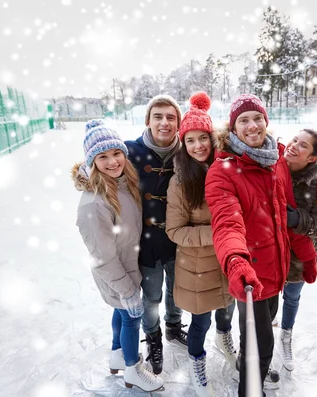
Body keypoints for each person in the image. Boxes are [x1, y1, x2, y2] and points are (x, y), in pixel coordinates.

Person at [205, 94, 317, 397]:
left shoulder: (275, 162)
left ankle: (248, 365)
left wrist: (307, 257)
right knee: (261, 345)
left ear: (266, 122)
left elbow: (283, 218)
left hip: (276, 271)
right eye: (243, 120)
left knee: (260, 333)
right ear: (233, 128)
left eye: (257, 118)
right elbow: (227, 223)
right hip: (250, 277)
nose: (252, 126)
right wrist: (236, 262)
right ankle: (250, 389)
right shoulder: (223, 170)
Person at [72, 120, 163, 391]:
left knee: (122, 314)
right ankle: (133, 368)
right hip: (116, 273)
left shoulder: (121, 183)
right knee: (130, 316)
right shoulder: (93, 204)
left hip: (126, 265)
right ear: (92, 161)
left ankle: (117, 353)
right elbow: (102, 257)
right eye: (103, 157)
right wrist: (126, 289)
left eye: (116, 153)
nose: (113, 161)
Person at [166, 91, 237, 396]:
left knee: (227, 310)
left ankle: (225, 340)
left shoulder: (229, 169)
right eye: (190, 140)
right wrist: (217, 232)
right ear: (183, 143)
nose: (197, 146)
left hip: (229, 261)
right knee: (200, 322)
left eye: (202, 138)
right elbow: (175, 231)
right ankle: (197, 362)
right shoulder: (180, 181)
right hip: (197, 267)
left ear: (212, 138)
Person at [124, 95, 186, 375]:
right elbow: (102, 173)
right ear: (147, 120)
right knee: (151, 297)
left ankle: (173, 326)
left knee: (177, 290)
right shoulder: (129, 152)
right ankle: (154, 337)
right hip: (146, 242)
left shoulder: (186, 153)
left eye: (171, 117)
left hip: (178, 240)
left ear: (178, 123)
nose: (164, 122)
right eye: (158, 116)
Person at [278, 128, 317, 372]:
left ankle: (286, 334)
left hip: (300, 258)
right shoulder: (272, 166)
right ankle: (265, 333)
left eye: (303, 146)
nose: (294, 146)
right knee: (266, 299)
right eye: (294, 140)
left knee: (291, 297)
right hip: (269, 249)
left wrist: (297, 220)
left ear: (312, 157)